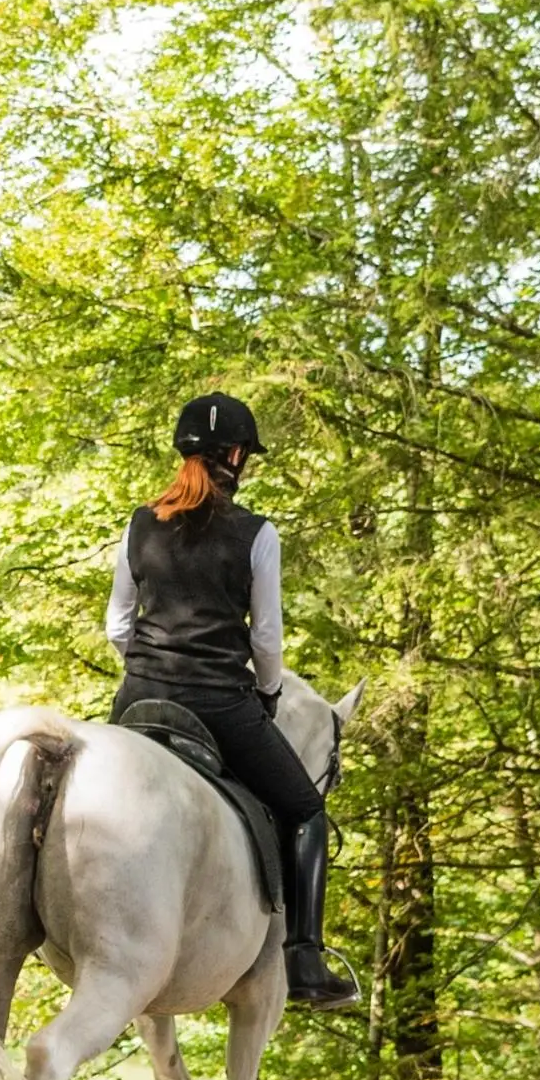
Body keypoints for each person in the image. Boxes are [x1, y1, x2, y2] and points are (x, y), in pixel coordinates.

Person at [105, 392, 361, 1011]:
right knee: (306, 812)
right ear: (238, 457)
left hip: (138, 700)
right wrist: (267, 694)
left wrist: (148, 673)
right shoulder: (256, 534)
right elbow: (266, 639)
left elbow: (118, 625)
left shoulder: (140, 523)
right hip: (220, 703)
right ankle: (304, 961)